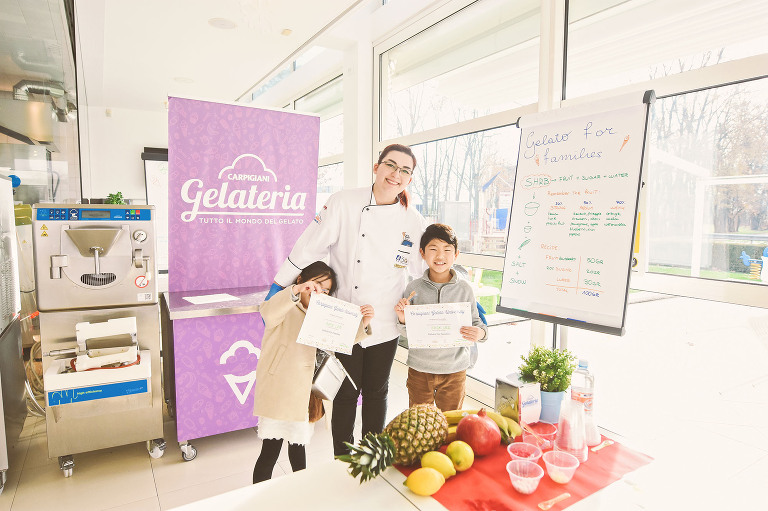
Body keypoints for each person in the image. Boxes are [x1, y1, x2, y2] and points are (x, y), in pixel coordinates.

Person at [271, 144, 427, 456]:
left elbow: (426, 268)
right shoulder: (343, 202)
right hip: (343, 316)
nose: (395, 174)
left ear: (410, 179)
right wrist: (280, 284)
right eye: (390, 165)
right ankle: (341, 459)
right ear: (376, 167)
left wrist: (451, 288)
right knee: (343, 393)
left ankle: (372, 456)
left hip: (384, 321)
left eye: (404, 171)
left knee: (376, 393)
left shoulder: (413, 220)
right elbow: (309, 246)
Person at [253, 261, 374, 483]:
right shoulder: (285, 307)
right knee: (270, 451)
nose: (319, 292)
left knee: (298, 452)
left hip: (305, 397)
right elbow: (268, 313)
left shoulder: (323, 313)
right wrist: (295, 291)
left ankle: (302, 497)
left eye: (326, 290)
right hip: (279, 393)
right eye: (315, 285)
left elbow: (341, 341)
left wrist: (363, 324)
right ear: (301, 280)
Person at [395, 223, 487, 411]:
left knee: (450, 424)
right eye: (433, 249)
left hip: (455, 370)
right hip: (420, 369)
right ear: (422, 253)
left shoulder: (465, 289)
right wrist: (403, 319)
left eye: (447, 249)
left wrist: (480, 333)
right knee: (420, 424)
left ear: (456, 254)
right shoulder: (413, 289)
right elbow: (406, 333)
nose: (440, 256)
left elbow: (478, 323)